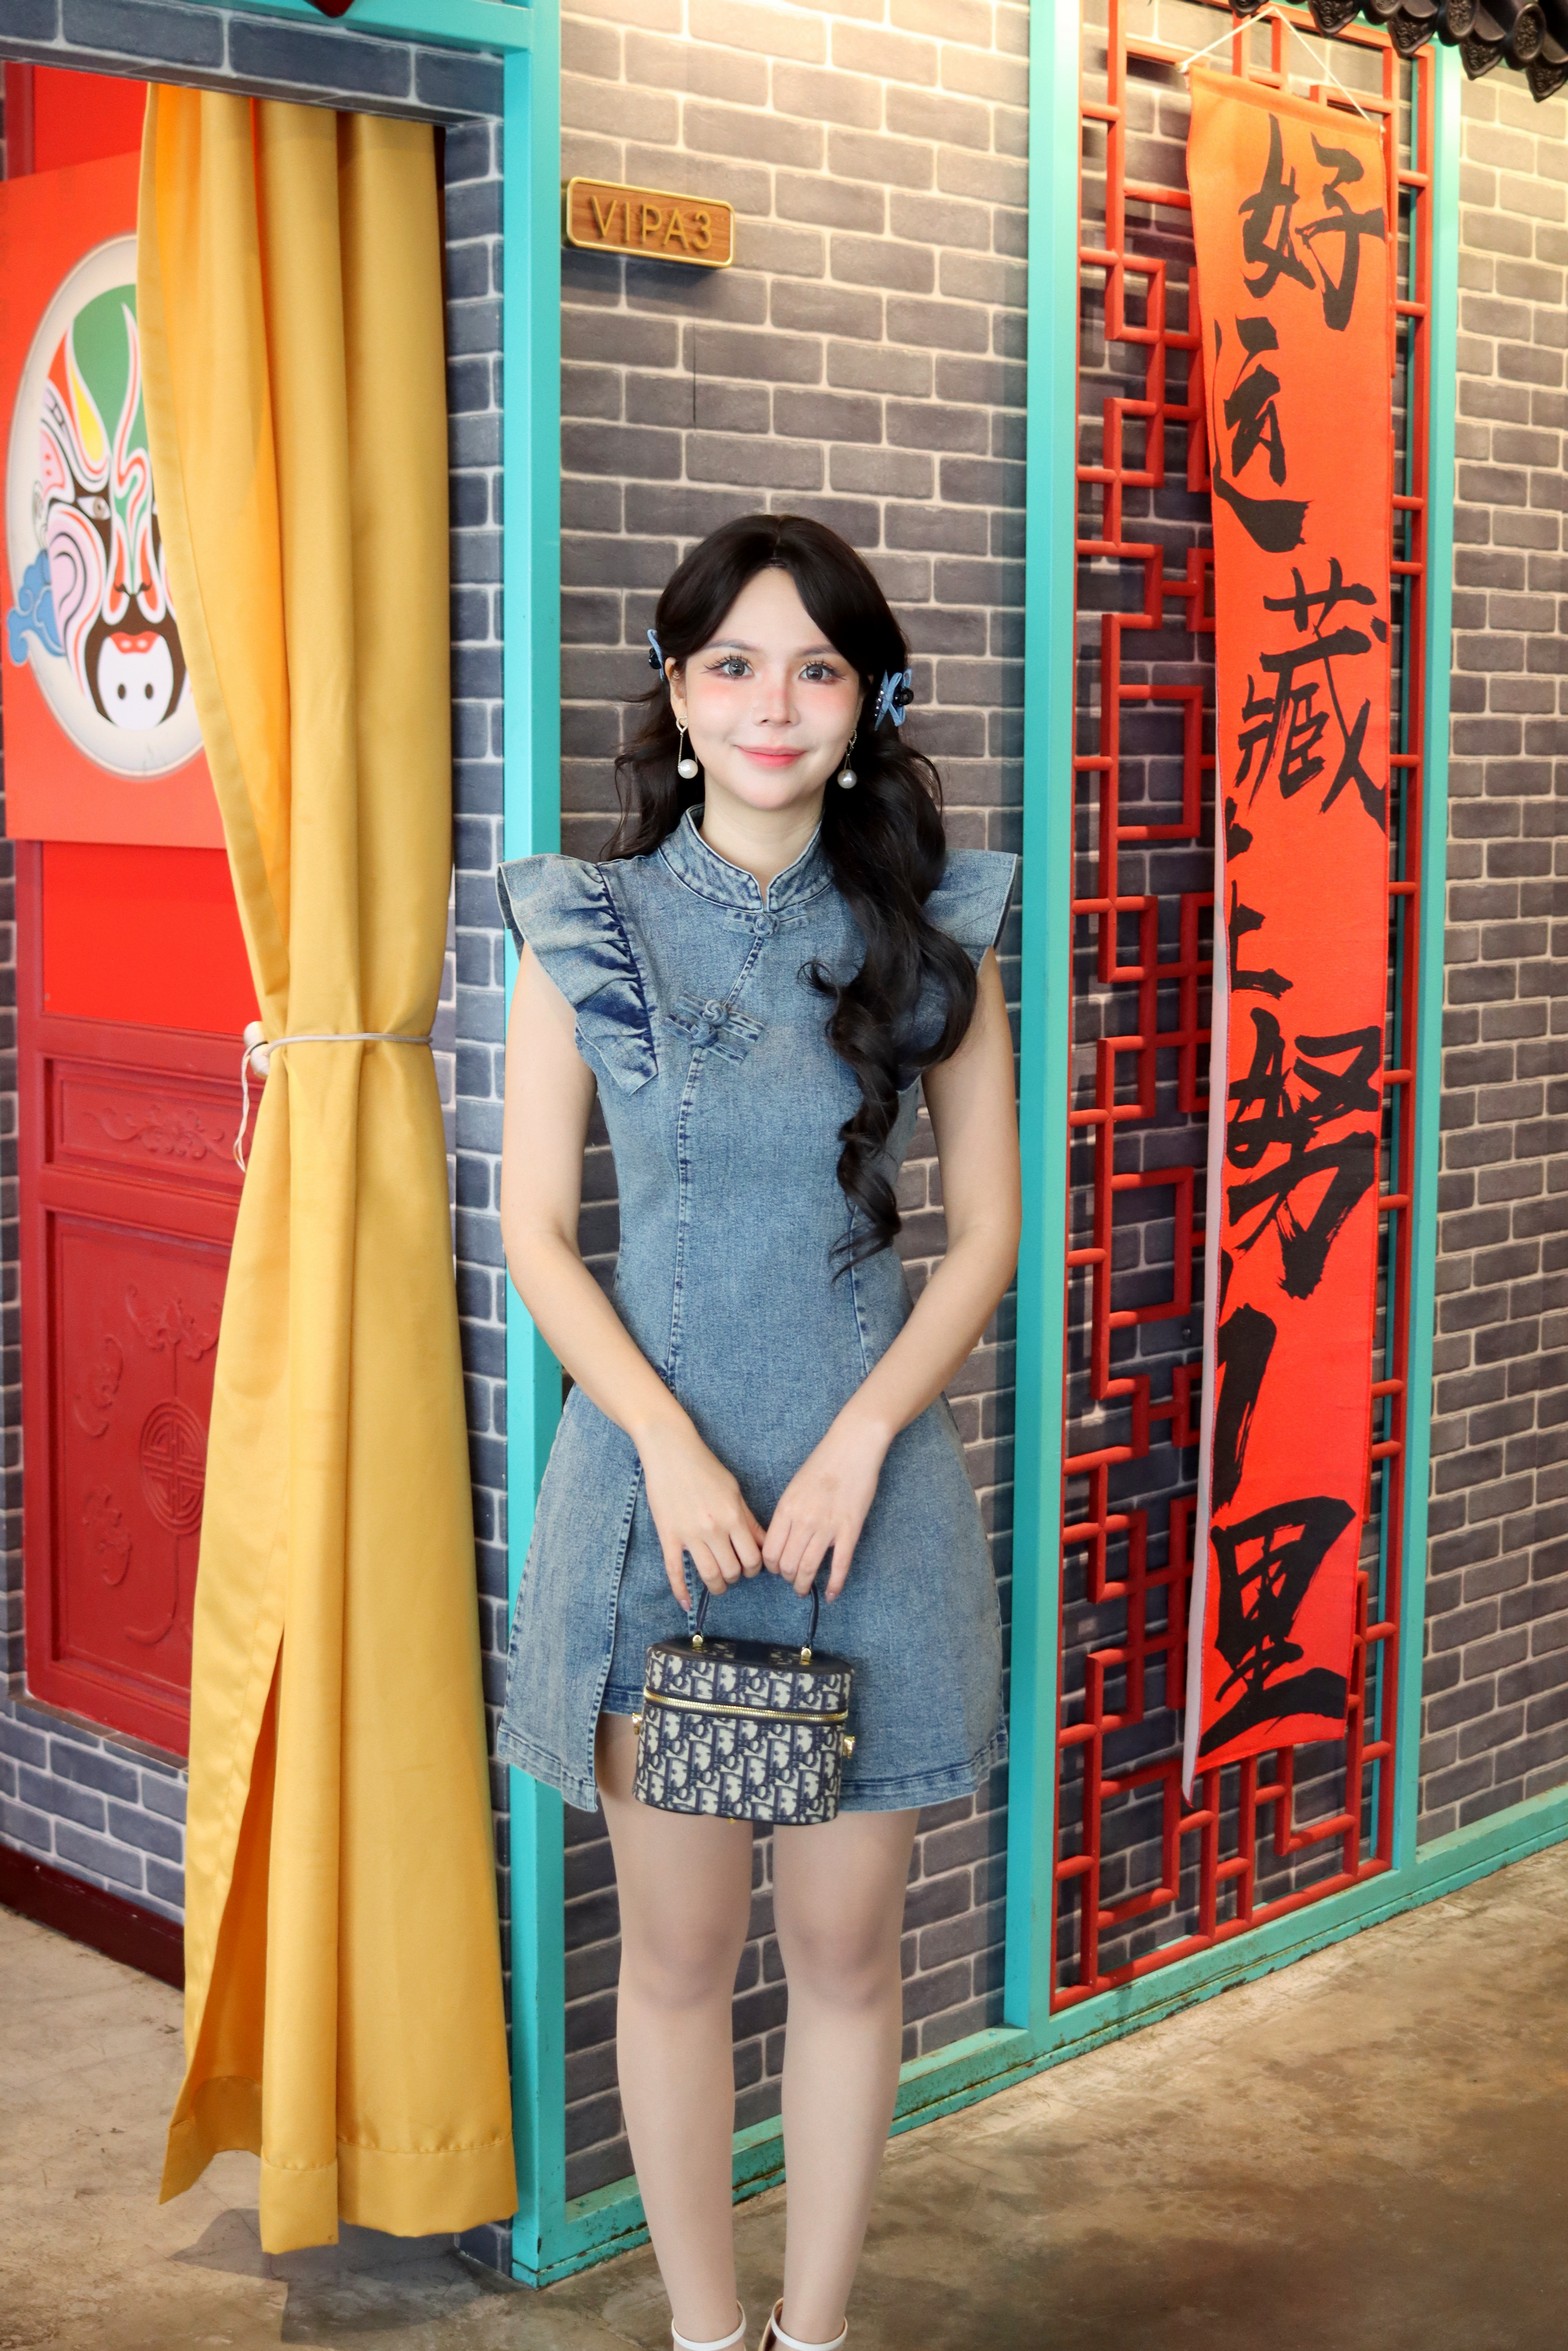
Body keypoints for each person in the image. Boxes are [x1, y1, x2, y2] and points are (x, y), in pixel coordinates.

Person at [496, 514, 1021, 2351]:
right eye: (732, 665)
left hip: (865, 1525)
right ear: (679, 688)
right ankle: (707, 2337)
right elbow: (537, 1233)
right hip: (666, 1528)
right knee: (676, 1957)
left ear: (870, 702)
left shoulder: (936, 930)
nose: (772, 704)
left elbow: (989, 1232)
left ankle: (819, 2334)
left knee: (848, 1956)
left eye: (816, 668)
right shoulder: (587, 926)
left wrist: (865, 1440)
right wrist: (666, 1446)